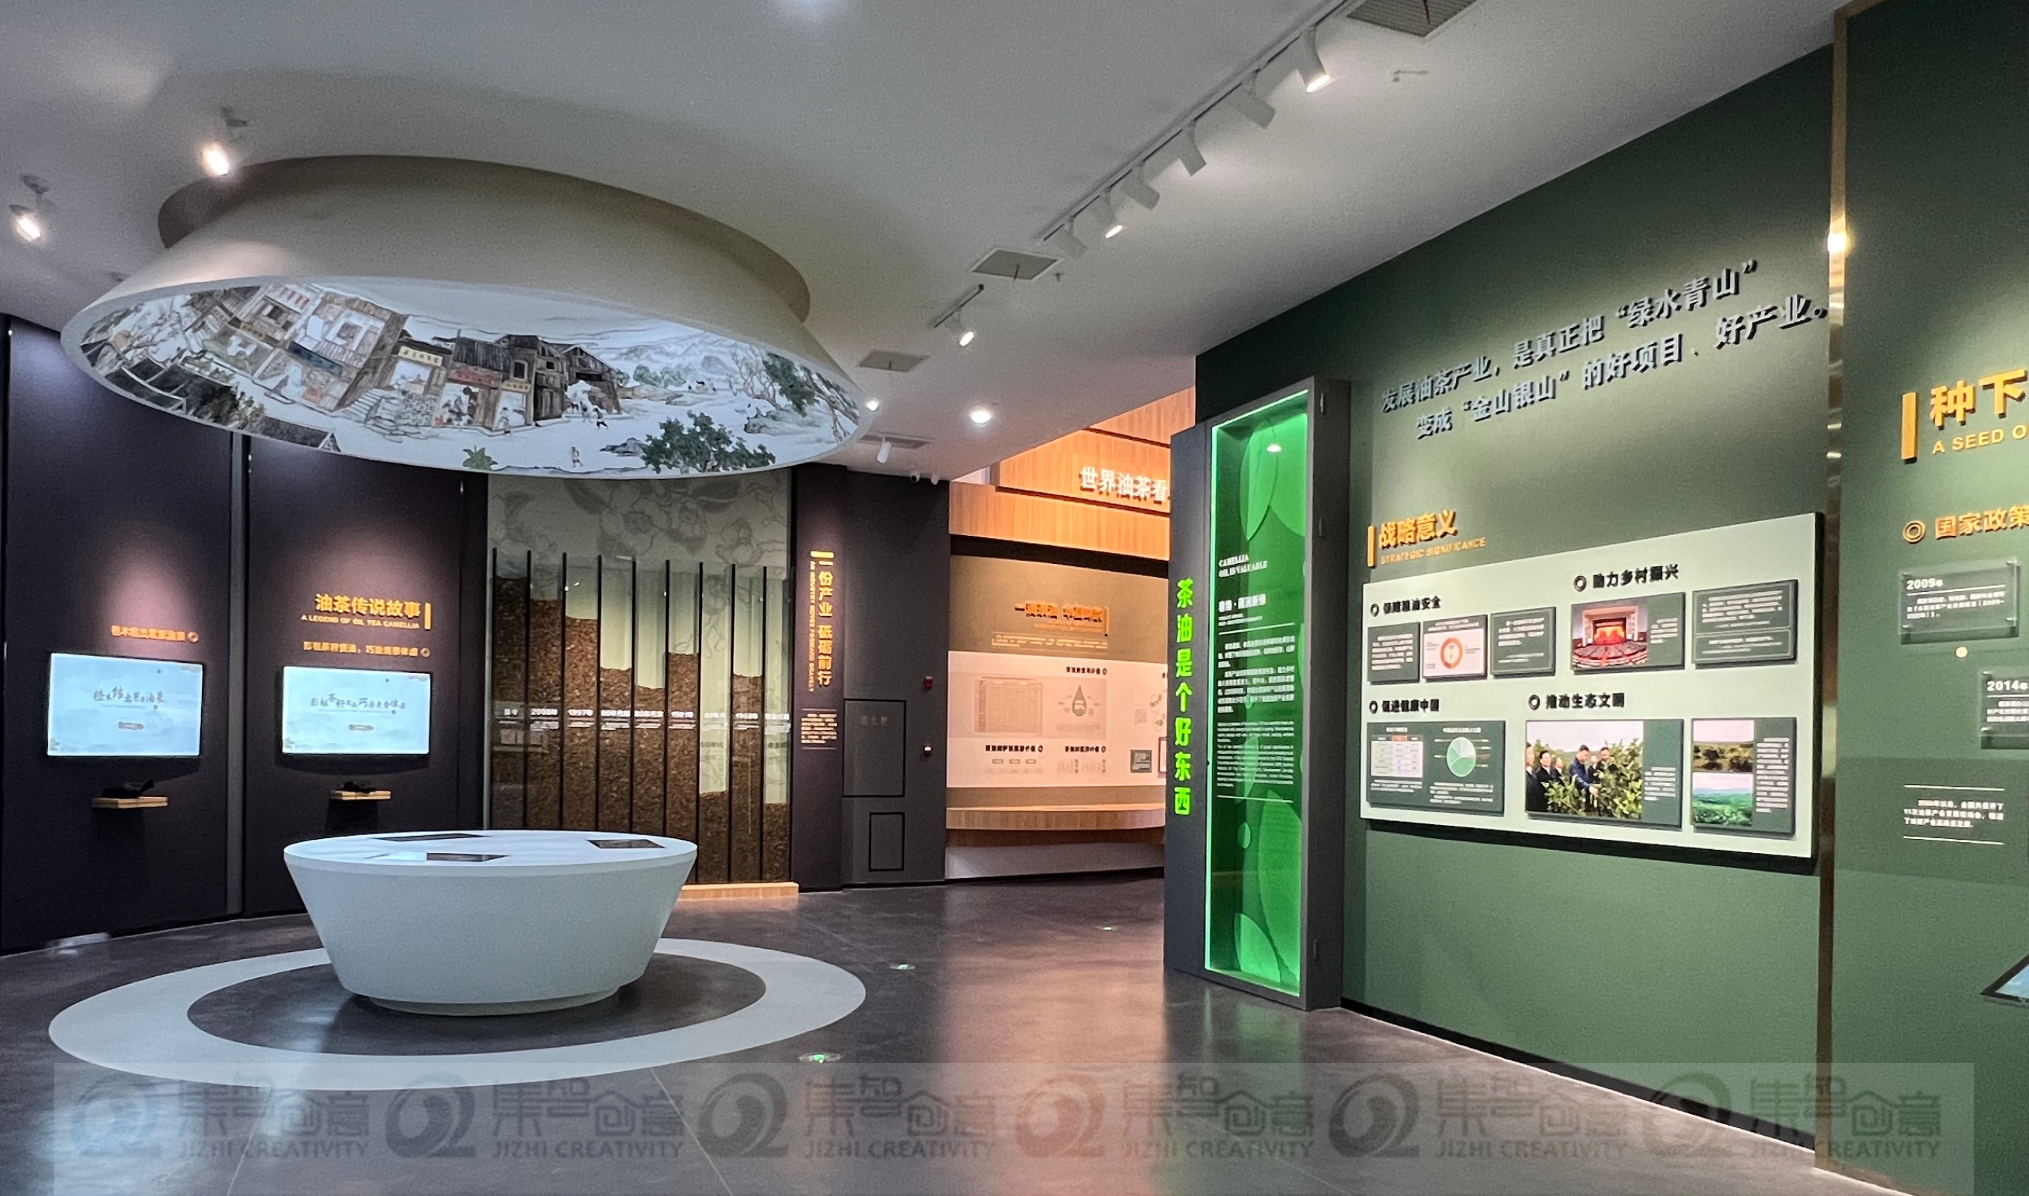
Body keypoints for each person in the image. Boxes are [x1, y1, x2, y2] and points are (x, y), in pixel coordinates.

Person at [1524, 745, 1546, 812]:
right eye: (1530, 753)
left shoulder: (1533, 773)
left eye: (1533, 754)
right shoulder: (1522, 776)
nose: (1532, 756)